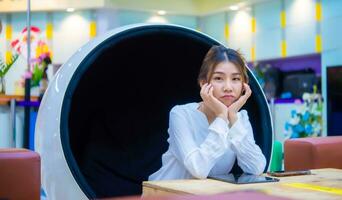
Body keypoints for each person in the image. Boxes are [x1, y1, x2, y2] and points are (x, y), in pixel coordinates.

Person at [148, 45, 266, 181]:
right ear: (203, 83)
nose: (228, 88)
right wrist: (222, 117)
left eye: (235, 79)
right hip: (164, 193)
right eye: (218, 78)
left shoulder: (239, 118)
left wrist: (232, 117)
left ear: (244, 85)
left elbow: (256, 168)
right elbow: (198, 169)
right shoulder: (181, 114)